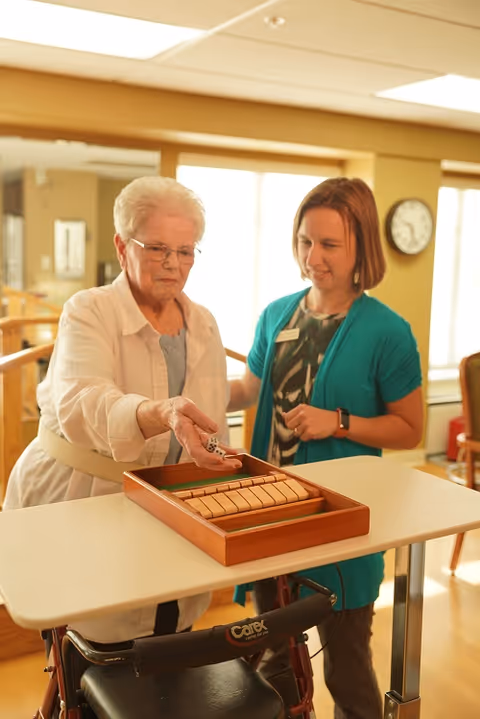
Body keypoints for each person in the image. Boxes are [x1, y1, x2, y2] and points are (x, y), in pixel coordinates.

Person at [4, 175, 240, 643]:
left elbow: (210, 416)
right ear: (121, 245)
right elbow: (83, 398)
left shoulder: (204, 324)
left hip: (172, 505)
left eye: (186, 251)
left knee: (169, 635)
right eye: (157, 248)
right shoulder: (88, 311)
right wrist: (160, 413)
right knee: (91, 641)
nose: (173, 265)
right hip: (82, 499)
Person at [228, 177, 423, 719]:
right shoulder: (277, 315)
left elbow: (409, 428)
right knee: (276, 662)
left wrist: (339, 422)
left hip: (340, 524)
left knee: (345, 666)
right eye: (304, 241)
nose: (313, 257)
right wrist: (184, 389)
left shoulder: (388, 332)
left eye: (329, 245)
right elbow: (250, 389)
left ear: (361, 246)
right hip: (268, 515)